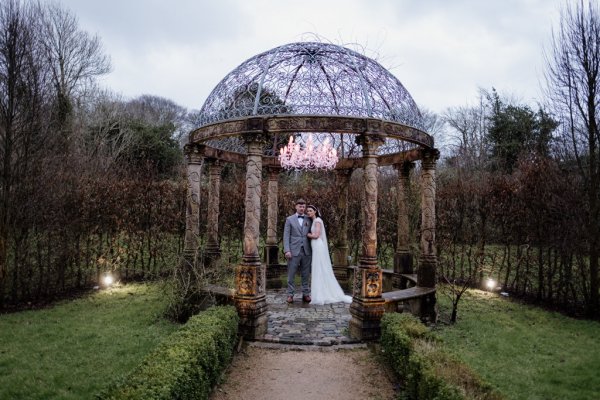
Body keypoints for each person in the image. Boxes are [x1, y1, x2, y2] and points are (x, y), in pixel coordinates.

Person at [305, 205, 352, 305]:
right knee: (319, 268)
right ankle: (320, 291)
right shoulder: (314, 221)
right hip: (316, 246)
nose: (308, 212)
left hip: (318, 246)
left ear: (315, 211)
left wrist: (307, 234)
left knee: (319, 268)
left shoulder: (317, 221)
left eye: (310, 211)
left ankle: (321, 294)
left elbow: (316, 235)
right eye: (307, 211)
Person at [283, 198, 312, 304]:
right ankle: (290, 294)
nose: (302, 208)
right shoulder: (289, 219)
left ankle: (306, 294)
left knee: (306, 273)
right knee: (291, 273)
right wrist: (287, 250)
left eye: (304, 207)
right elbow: (286, 236)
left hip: (307, 250)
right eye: (300, 206)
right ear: (296, 207)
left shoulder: (309, 219)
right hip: (293, 251)